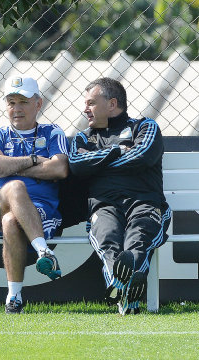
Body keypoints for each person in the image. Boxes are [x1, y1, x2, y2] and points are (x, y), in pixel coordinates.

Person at [68, 77, 171, 315]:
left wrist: (98, 161)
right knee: (107, 236)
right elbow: (76, 164)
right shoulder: (85, 137)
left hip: (145, 203)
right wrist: (116, 150)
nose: (85, 109)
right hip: (104, 206)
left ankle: (123, 288)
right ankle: (127, 289)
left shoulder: (145, 127)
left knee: (139, 235)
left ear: (112, 103)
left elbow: (142, 156)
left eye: (91, 102)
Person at [0, 75, 69, 314]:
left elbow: (59, 168)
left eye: (23, 102)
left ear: (38, 104)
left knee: (11, 220)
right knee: (15, 188)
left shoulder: (52, 132)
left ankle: (14, 297)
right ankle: (44, 251)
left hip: (41, 212)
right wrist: (34, 161)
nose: (16, 109)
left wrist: (10, 165)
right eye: (11, 102)